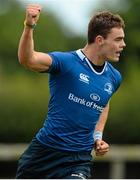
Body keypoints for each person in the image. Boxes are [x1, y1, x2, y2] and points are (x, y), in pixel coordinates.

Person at [15, 4, 126, 179]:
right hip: (44, 153)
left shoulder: (114, 77)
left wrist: (98, 136)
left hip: (78, 159)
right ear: (99, 40)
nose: (123, 44)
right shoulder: (66, 62)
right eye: (118, 39)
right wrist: (29, 27)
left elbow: (103, 102)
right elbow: (28, 59)